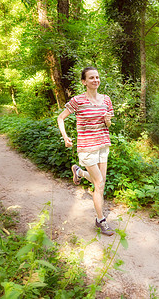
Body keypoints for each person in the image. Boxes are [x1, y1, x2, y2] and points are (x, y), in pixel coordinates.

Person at [57, 67, 114, 236]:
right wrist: (66, 137)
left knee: (100, 183)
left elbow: (108, 125)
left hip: (103, 145)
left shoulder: (106, 100)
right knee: (100, 184)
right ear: (84, 82)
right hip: (87, 147)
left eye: (97, 77)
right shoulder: (78, 100)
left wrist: (108, 120)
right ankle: (101, 220)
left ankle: (79, 172)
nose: (95, 80)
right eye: (91, 78)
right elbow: (61, 118)